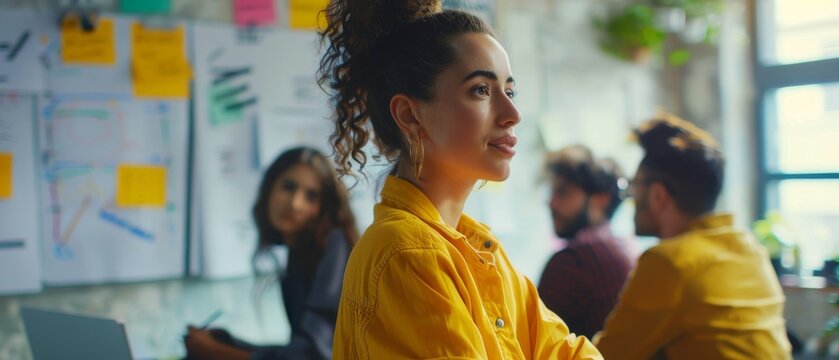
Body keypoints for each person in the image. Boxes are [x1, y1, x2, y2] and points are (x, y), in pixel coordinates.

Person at [318, 0, 602, 358]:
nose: (512, 114)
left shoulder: (478, 249)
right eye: (481, 90)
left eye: (509, 91)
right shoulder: (407, 252)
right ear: (410, 115)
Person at [594, 114, 792, 359]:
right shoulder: (749, 249)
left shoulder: (671, 263)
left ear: (658, 195)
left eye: (635, 187)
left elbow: (606, 355)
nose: (631, 199)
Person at [184, 147, 359, 360]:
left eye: (311, 196)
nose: (295, 203)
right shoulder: (300, 254)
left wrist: (215, 351)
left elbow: (312, 355)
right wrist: (229, 343)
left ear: (324, 207)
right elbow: (294, 351)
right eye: (288, 187)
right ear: (269, 189)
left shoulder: (335, 244)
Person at [537, 145, 634, 339]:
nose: (551, 202)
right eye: (553, 192)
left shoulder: (571, 263)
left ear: (601, 200)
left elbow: (530, 343)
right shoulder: (623, 247)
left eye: (563, 192)